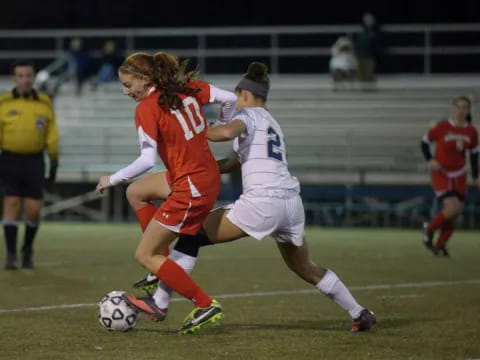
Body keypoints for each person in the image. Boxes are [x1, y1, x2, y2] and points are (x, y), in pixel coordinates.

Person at [123, 62, 377, 333]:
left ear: (244, 95)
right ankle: (359, 312)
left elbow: (225, 132)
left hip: (262, 203)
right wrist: (210, 167)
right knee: (306, 268)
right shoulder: (273, 124)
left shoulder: (249, 115)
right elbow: (236, 162)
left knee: (192, 233)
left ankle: (161, 301)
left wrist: (196, 129)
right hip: (291, 203)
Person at [94, 51, 237, 334]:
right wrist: (221, 125)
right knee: (136, 192)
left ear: (146, 80)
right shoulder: (187, 89)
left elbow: (146, 160)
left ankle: (203, 303)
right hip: (199, 175)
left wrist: (112, 178)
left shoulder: (147, 107)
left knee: (144, 254)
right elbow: (230, 99)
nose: (125, 92)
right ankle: (160, 264)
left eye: (128, 85)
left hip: (191, 185)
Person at [0, 60, 59, 269]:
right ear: (14, 79)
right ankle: (11, 256)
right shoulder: (3, 102)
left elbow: (51, 133)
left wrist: (54, 161)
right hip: (9, 160)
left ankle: (27, 250)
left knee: (33, 210)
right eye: (20, 76)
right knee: (11, 204)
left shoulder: (44, 102)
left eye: (28, 75)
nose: (25, 79)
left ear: (33, 78)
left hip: (35, 161)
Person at [421, 96, 479, 256]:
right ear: (453, 108)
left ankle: (440, 246)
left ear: (468, 110)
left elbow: (474, 155)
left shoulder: (471, 131)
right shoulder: (442, 127)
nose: (461, 111)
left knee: (456, 213)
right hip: (442, 173)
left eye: (464, 108)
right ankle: (429, 229)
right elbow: (424, 141)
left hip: (459, 175)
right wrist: (430, 159)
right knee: (452, 208)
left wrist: (476, 176)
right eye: (458, 107)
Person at [354, 13, 382, 91]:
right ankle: (363, 89)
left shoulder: (376, 31)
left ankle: (371, 89)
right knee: (361, 73)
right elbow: (357, 43)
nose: (368, 22)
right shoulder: (361, 31)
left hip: (370, 56)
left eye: (370, 20)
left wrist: (376, 53)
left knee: (369, 73)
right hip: (360, 55)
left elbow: (378, 44)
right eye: (367, 20)